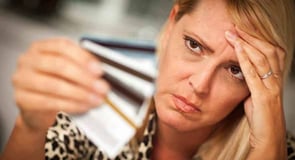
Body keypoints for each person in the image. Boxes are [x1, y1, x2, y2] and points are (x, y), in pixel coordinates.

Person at [1, 0, 295, 159]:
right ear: (172, 23)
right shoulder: (95, 106)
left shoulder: (279, 152)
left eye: (235, 70)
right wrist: (29, 127)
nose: (200, 85)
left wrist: (268, 151)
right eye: (194, 45)